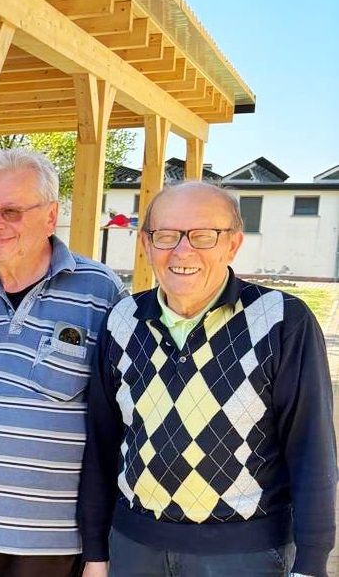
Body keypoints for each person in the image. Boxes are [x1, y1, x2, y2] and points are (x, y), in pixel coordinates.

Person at [78, 181, 336, 577]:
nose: (183, 251)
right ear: (146, 244)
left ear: (232, 244)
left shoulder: (282, 321)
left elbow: (312, 450)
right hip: (134, 549)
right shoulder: (122, 321)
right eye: (165, 235)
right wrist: (96, 551)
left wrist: (312, 564)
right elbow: (102, 443)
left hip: (245, 556)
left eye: (203, 235)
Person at [0, 148, 125, 577]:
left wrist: (100, 548)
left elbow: (120, 423)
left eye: (11, 211)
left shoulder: (99, 292)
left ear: (51, 216)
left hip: (49, 541)